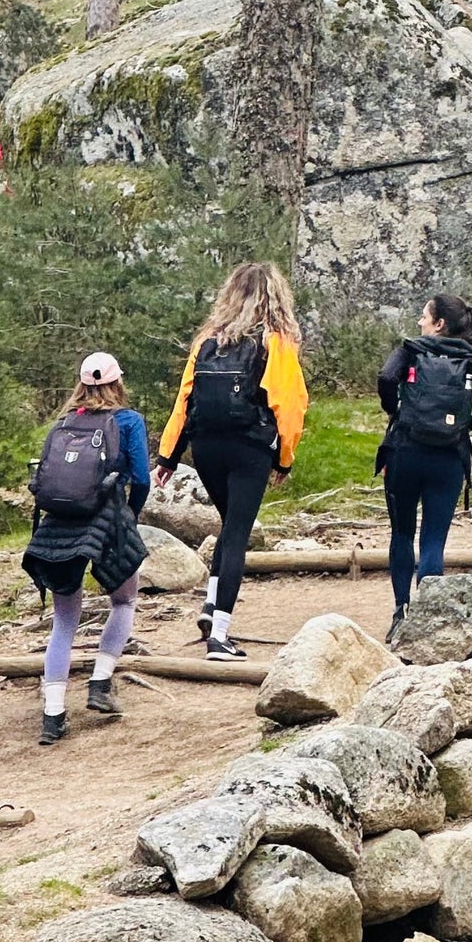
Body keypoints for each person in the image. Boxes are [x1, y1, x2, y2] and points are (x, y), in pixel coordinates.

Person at [156, 262, 309, 660]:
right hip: (248, 447)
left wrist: (168, 456)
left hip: (206, 447)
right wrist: (285, 458)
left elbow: (184, 400)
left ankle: (210, 605)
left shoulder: (208, 340)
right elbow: (289, 405)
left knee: (231, 524)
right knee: (239, 531)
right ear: (276, 297)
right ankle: (220, 636)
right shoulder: (275, 341)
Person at [22, 353, 151, 745]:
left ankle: (53, 717)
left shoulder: (64, 423)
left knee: (64, 621)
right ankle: (99, 684)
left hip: (57, 527)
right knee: (125, 600)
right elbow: (142, 478)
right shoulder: (128, 421)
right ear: (117, 383)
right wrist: (128, 516)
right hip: (106, 520)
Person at [377, 295, 472, 642]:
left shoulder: (410, 350)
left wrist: (397, 412)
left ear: (439, 325)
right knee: (434, 539)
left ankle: (400, 611)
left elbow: (385, 378)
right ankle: (427, 616)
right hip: (449, 458)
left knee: (402, 534)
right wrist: (467, 425)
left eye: (424, 317)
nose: (419, 322)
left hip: (404, 452)